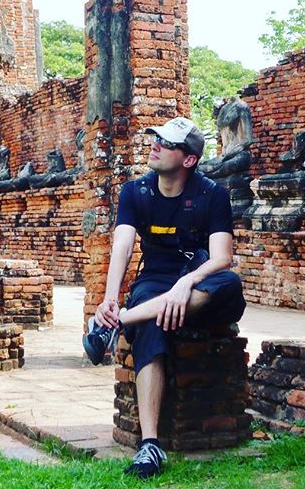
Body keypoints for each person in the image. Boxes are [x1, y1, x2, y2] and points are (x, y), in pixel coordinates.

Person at [82, 117, 246, 479]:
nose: (155, 145)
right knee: (153, 322)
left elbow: (222, 256)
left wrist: (187, 282)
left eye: (166, 143)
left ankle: (117, 323)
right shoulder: (135, 192)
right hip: (154, 284)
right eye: (155, 138)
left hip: (201, 283)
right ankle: (150, 445)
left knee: (229, 284)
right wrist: (110, 298)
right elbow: (123, 245)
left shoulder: (211, 194)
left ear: (188, 159)